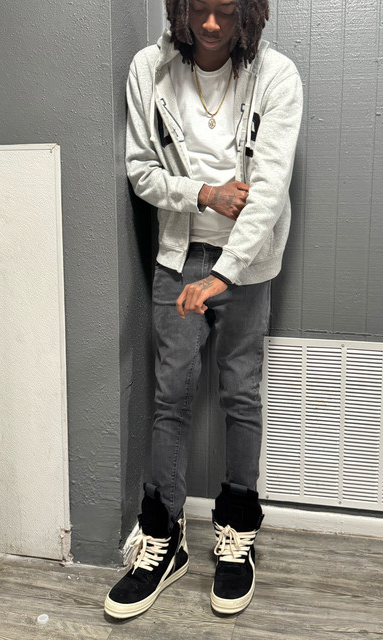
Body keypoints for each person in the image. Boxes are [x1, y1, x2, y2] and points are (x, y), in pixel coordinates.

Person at [104, 0, 302, 619]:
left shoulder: (276, 76)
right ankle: (163, 539)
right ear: (179, 8)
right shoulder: (149, 69)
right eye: (200, 9)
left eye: (226, 12)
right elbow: (141, 171)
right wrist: (205, 194)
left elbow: (269, 188)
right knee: (171, 397)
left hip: (247, 261)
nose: (212, 25)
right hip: (178, 254)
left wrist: (224, 273)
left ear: (249, 13)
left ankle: (237, 534)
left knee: (241, 394)